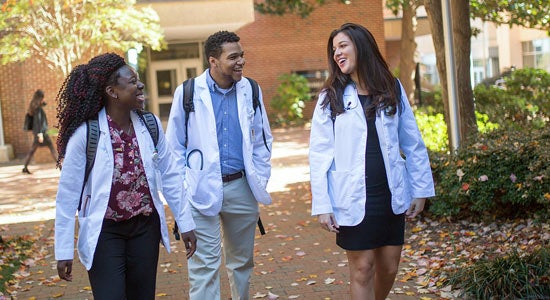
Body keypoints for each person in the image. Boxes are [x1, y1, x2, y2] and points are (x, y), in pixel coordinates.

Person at [54, 53, 197, 299]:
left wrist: (186, 223)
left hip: (144, 228)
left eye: (138, 80)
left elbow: (171, 175)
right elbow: (67, 196)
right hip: (104, 232)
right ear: (112, 91)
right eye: (132, 81)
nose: (140, 85)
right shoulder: (86, 135)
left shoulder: (149, 125)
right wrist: (63, 249)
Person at [309, 23, 435, 300]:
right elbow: (319, 155)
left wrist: (421, 190)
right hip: (352, 196)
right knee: (362, 269)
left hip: (389, 192)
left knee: (389, 267)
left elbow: (412, 142)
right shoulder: (329, 97)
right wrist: (323, 204)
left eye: (342, 46)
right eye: (333, 50)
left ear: (361, 46)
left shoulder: (391, 88)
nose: (337, 54)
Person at [166, 30, 273, 300]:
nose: (241, 62)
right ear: (213, 61)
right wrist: (183, 186)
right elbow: (175, 146)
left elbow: (262, 140)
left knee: (241, 264)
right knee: (203, 266)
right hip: (200, 189)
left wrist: (259, 177)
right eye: (233, 57)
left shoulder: (252, 89)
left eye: (242, 55)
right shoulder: (188, 92)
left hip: (241, 187)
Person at [22, 89, 58, 174]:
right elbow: (38, 121)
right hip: (42, 132)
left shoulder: (34, 105)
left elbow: (42, 106)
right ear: (40, 97)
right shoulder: (37, 108)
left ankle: (25, 167)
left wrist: (42, 104)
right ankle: (61, 167)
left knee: (32, 150)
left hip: (39, 132)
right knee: (52, 149)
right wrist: (40, 134)